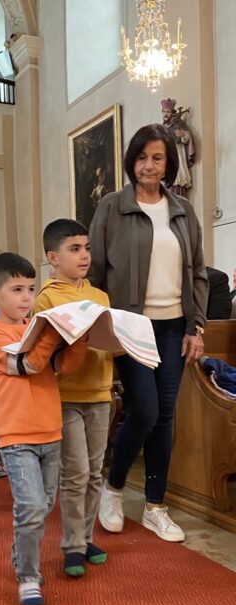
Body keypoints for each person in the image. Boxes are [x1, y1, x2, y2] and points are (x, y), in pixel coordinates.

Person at [89, 123, 208, 542]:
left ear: (168, 163)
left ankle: (157, 506)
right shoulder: (111, 207)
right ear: (131, 161)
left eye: (157, 157)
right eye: (142, 157)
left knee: (165, 417)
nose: (149, 165)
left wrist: (197, 326)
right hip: (130, 326)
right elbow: (97, 273)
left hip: (176, 325)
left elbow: (196, 273)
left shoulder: (182, 211)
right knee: (144, 409)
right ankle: (114, 487)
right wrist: (104, 330)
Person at [0, 252, 88, 605]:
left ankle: (19, 555)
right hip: (15, 435)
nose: (26, 297)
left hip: (50, 430)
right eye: (16, 289)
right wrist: (51, 333)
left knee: (42, 507)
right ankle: (28, 575)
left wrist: (79, 337)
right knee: (29, 507)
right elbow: (29, 364)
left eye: (30, 288)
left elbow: (62, 366)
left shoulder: (37, 329)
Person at [34, 218, 113, 577]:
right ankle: (71, 546)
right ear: (53, 256)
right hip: (65, 395)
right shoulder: (47, 297)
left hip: (100, 391)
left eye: (86, 248)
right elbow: (42, 349)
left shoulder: (100, 296)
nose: (84, 255)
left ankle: (86, 536)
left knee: (96, 472)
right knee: (76, 473)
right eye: (74, 249)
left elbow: (108, 345)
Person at [161, 98, 195, 198]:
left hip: (177, 156)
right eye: (164, 112)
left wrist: (184, 134)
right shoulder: (162, 127)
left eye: (168, 112)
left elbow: (186, 138)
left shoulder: (179, 123)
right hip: (166, 158)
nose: (166, 114)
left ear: (172, 112)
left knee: (178, 182)